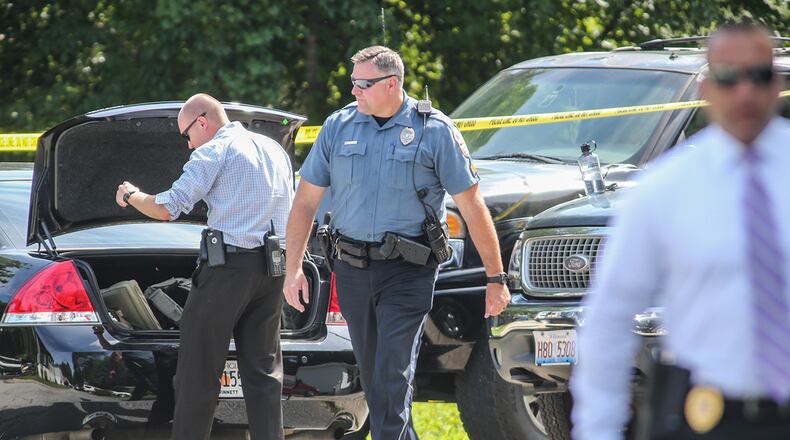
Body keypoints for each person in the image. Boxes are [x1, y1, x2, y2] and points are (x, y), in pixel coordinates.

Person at [571, 21, 789, 440]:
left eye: (759, 76)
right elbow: (610, 316)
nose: (745, 91)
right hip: (705, 416)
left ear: (777, 83)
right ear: (706, 88)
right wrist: (598, 430)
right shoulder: (665, 186)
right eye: (729, 77)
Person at [282, 46, 511, 439]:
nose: (354, 90)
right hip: (351, 270)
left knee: (392, 376)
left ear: (391, 84)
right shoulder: (339, 126)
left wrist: (496, 277)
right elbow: (305, 201)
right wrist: (293, 269)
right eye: (353, 82)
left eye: (363, 83)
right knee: (375, 379)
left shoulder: (434, 130)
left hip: (408, 271)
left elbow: (472, 206)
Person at [114, 93, 293, 440]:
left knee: (198, 373)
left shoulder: (214, 151)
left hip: (227, 273)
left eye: (186, 135)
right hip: (272, 271)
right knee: (264, 375)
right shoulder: (274, 149)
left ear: (202, 122)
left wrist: (131, 195)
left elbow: (167, 208)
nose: (188, 145)